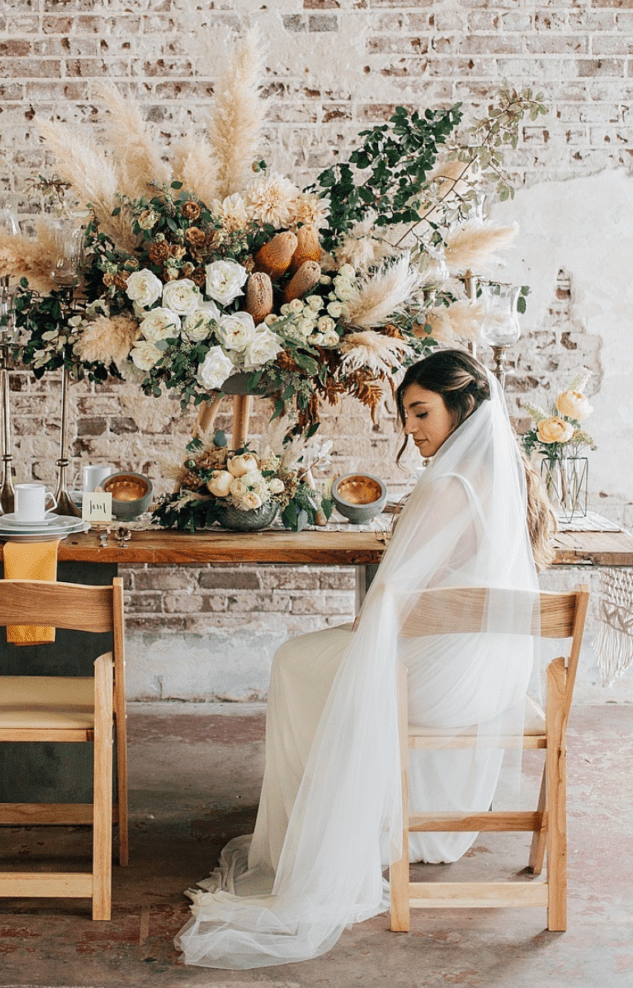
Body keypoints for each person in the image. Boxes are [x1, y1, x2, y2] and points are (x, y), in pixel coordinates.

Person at [176, 349, 556, 969]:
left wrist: (365, 623)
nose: (412, 429)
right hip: (487, 676)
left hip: (433, 679)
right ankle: (376, 821)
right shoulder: (502, 478)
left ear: (462, 405)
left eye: (421, 411)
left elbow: (396, 593)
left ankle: (311, 839)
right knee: (319, 658)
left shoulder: (450, 482)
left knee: (294, 662)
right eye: (407, 415)